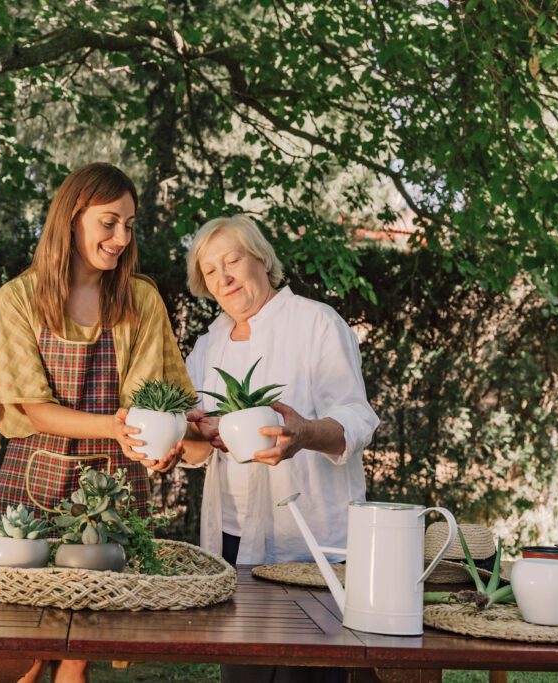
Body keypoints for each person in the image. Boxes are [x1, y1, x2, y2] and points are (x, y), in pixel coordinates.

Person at [0, 163, 193, 683]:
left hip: (113, 486)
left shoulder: (141, 299)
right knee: (16, 639)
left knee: (83, 644)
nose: (121, 238)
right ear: (72, 217)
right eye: (109, 222)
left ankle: (73, 669)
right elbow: (36, 411)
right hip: (34, 482)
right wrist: (116, 428)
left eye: (130, 225)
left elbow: (150, 404)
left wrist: (158, 443)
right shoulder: (18, 299)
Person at [180, 215, 379, 682]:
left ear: (263, 261)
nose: (223, 277)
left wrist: (304, 434)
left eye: (233, 260)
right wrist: (190, 436)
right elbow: (196, 449)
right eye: (210, 271)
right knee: (244, 671)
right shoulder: (208, 346)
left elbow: (358, 418)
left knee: (310, 673)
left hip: (309, 540)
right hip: (233, 538)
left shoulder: (316, 323)